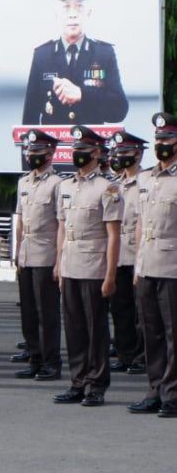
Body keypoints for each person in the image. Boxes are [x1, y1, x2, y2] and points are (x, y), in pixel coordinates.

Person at [53, 125, 122, 407]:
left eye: (83, 150)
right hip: (70, 264)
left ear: (95, 152)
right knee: (74, 329)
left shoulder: (107, 188)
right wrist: (58, 263)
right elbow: (60, 227)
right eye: (75, 149)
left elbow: (114, 235)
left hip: (94, 266)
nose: (77, 154)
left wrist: (110, 275)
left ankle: (96, 384)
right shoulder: (65, 186)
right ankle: (78, 381)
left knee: (95, 329)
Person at [21, 0, 128, 126]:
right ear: (56, 13)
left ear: (89, 12)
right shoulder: (42, 56)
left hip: (91, 150)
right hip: (53, 150)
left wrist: (82, 95)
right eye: (66, 7)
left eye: (79, 7)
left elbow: (119, 110)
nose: (72, 14)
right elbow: (29, 120)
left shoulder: (103, 54)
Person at [129, 112, 177, 417]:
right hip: (146, 265)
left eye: (167, 139)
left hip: (172, 267)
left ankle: (172, 394)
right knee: (151, 332)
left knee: (173, 333)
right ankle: (154, 388)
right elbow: (139, 224)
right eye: (158, 139)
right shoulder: (144, 179)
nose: (161, 144)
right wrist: (136, 265)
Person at [11, 129, 65, 381]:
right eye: (30, 151)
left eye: (38, 152)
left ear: (50, 154)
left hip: (46, 253)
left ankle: (51, 362)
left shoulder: (58, 184)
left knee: (47, 312)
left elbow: (61, 223)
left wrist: (59, 260)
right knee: (29, 312)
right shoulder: (23, 182)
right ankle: (34, 357)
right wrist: (16, 252)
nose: (32, 156)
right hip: (26, 253)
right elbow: (20, 220)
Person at [109, 130, 146, 375]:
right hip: (118, 256)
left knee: (141, 311)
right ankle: (124, 354)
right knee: (120, 308)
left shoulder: (145, 183)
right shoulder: (115, 186)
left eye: (127, 153)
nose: (121, 157)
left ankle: (142, 357)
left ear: (139, 155)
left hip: (139, 256)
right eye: (119, 153)